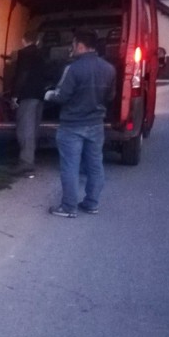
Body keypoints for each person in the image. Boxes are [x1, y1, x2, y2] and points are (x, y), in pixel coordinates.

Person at [44, 29, 115, 218]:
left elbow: (62, 96)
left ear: (81, 46)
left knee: (70, 166)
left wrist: (48, 94)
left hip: (72, 125)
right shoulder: (109, 68)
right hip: (96, 124)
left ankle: (68, 207)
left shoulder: (73, 68)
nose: (72, 49)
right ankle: (91, 204)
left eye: (73, 45)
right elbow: (111, 96)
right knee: (95, 165)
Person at [10, 31, 47, 176]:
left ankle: (26, 162)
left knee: (25, 128)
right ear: (36, 40)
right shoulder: (42, 53)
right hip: (40, 95)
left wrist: (15, 95)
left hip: (27, 95)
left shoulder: (24, 53)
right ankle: (29, 158)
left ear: (23, 40)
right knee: (34, 127)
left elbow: (22, 74)